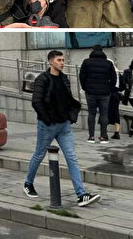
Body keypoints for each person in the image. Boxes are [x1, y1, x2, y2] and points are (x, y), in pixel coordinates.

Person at [24, 50, 101, 206]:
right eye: (59, 60)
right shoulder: (42, 79)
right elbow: (36, 101)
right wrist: (47, 119)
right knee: (39, 155)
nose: (62, 63)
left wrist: (71, 114)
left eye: (63, 60)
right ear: (51, 62)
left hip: (64, 125)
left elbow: (68, 99)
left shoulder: (64, 78)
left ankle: (81, 195)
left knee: (72, 157)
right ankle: (28, 183)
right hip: (47, 125)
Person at [78, 45, 117, 144]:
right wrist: (110, 88)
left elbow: (82, 76)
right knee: (104, 114)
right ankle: (103, 136)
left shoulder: (86, 62)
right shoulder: (108, 63)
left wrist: (85, 87)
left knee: (91, 113)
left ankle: (91, 136)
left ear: (92, 51)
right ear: (102, 51)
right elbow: (114, 78)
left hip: (90, 92)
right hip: (105, 93)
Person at [109, 58, 124, 140]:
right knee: (115, 112)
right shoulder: (117, 72)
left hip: (108, 93)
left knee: (104, 112)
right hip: (116, 94)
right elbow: (122, 85)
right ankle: (117, 132)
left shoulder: (108, 73)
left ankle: (103, 132)